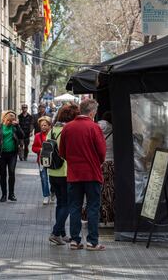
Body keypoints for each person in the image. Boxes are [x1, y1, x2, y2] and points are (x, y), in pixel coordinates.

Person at [59, 99, 106, 250]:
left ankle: (75, 240)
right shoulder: (94, 127)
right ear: (91, 112)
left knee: (74, 207)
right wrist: (94, 161)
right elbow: (102, 153)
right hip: (92, 174)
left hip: (74, 174)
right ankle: (92, 242)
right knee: (93, 207)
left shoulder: (68, 128)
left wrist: (73, 162)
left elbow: (62, 152)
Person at [47, 104, 80, 245]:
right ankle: (55, 233)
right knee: (66, 203)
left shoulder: (53, 130)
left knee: (60, 203)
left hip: (52, 171)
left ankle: (61, 233)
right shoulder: (69, 130)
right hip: (65, 172)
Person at [0, 110, 24, 202]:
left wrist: (18, 126)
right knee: (3, 174)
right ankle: (4, 195)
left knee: (12, 172)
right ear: (4, 119)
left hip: (12, 154)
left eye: (12, 120)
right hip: (1, 155)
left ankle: (11, 194)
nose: (10, 122)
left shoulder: (14, 127)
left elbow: (22, 136)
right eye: (9, 120)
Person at [97, 111, 114, 225]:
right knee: (110, 191)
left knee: (100, 191)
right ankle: (110, 217)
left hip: (99, 164)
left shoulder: (96, 129)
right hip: (111, 164)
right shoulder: (113, 131)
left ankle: (100, 216)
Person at [32, 116, 52, 205]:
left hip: (52, 160)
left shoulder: (53, 135)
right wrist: (39, 149)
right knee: (44, 178)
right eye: (41, 125)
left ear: (49, 126)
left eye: (45, 125)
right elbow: (33, 148)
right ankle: (46, 196)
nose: (43, 127)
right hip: (42, 160)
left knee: (53, 179)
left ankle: (53, 193)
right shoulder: (37, 136)